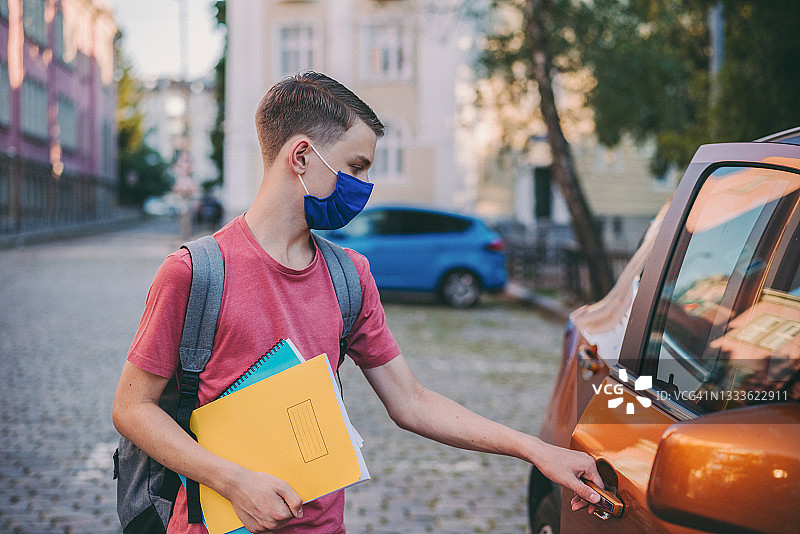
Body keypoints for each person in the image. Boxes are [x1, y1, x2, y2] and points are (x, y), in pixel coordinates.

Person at [112, 71, 603, 533]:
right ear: (300, 157)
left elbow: (411, 401)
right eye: (355, 167)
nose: (364, 186)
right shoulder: (194, 272)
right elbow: (133, 408)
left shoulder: (350, 275)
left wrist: (537, 451)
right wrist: (233, 481)